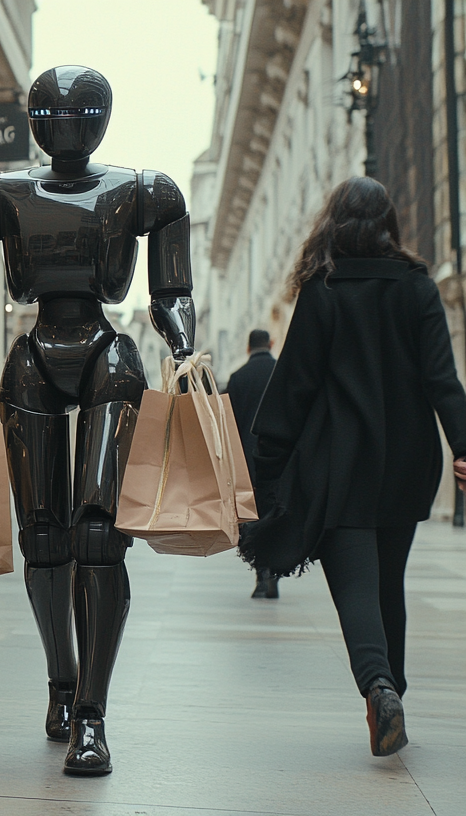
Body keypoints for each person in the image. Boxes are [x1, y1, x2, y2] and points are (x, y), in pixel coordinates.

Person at [0, 66, 196, 776]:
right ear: (35, 120)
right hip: (36, 357)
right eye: (51, 113)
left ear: (99, 120)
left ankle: (93, 715)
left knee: (96, 532)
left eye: (79, 113)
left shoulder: (142, 192)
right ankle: (61, 686)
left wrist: (185, 346)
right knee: (44, 538)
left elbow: (172, 290)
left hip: (106, 354)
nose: (65, 125)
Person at [240, 176, 466, 758]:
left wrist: (264, 467)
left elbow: (295, 387)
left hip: (343, 466)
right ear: (389, 223)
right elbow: (444, 380)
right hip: (411, 463)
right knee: (390, 581)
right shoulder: (419, 289)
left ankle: (380, 686)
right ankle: (395, 692)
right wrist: (462, 447)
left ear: (333, 223)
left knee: (357, 589)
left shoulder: (326, 289)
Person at [222, 329, 278, 598]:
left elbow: (227, 424)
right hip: (280, 459)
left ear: (247, 348)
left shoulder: (238, 378)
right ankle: (275, 572)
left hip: (246, 460)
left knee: (251, 518)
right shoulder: (282, 373)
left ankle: (261, 574)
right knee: (275, 515)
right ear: (271, 344)